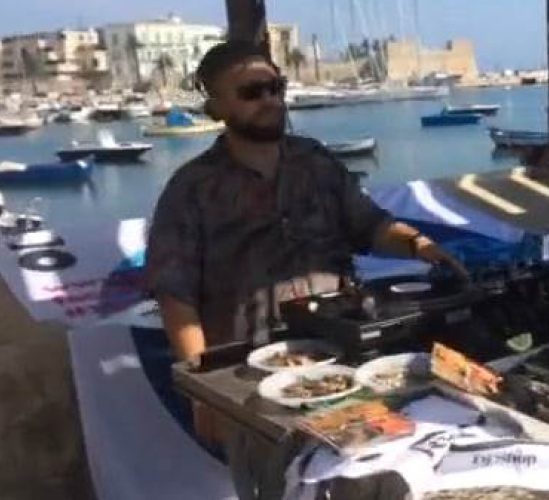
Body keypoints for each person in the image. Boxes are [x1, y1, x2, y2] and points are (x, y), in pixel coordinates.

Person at [144, 42, 466, 447]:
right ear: (216, 108)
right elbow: (175, 293)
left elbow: (369, 224)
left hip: (342, 359)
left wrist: (420, 246)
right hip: (252, 372)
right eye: (251, 92)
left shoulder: (316, 161)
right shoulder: (191, 189)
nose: (269, 100)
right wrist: (204, 389)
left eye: (275, 87)